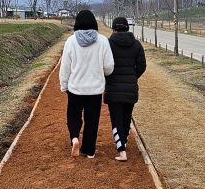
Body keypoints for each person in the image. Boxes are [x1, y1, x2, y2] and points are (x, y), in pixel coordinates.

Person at [59, 9, 114, 159]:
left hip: (75, 88)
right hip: (95, 90)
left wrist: (64, 85)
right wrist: (101, 72)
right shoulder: (103, 41)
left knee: (73, 116)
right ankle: (89, 151)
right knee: (92, 120)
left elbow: (65, 67)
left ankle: (74, 138)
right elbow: (109, 66)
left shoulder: (71, 41)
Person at [103, 17, 146, 162]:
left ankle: (121, 151)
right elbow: (142, 66)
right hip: (130, 88)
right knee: (127, 117)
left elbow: (104, 65)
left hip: (113, 88)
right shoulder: (137, 44)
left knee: (116, 119)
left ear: (114, 28)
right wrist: (133, 77)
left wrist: (108, 78)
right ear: (127, 27)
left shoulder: (108, 44)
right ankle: (124, 141)